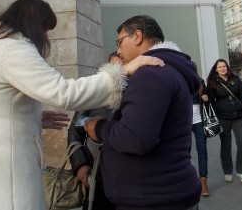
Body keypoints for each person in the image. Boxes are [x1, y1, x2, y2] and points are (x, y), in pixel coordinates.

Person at [0, 0, 163, 210]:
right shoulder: (12, 50)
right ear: (34, 24)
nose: (45, 36)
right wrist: (120, 72)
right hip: (2, 169)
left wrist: (32, 116)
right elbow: (64, 93)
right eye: (45, 29)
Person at [85, 15, 201, 210]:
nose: (119, 51)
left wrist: (99, 127)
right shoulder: (166, 70)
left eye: (120, 42)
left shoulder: (150, 73)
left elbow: (135, 138)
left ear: (137, 36)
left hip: (152, 198)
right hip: (161, 193)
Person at [67, 52, 121, 210]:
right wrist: (80, 164)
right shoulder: (92, 98)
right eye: (113, 68)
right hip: (97, 175)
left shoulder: (133, 96)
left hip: (126, 178)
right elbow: (75, 132)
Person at [206, 59, 242, 184]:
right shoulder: (213, 82)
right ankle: (227, 171)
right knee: (226, 145)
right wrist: (206, 99)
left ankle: (241, 170)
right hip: (223, 117)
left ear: (227, 67)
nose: (222, 69)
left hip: (239, 116)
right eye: (220, 67)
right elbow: (210, 99)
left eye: (224, 66)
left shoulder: (235, 79)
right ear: (216, 69)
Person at [191, 69, 210, 197]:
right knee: (183, 151)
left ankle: (203, 180)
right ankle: (184, 180)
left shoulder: (200, 82)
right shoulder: (179, 81)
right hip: (183, 121)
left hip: (199, 120)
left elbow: (209, 99)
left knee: (202, 149)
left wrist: (205, 98)